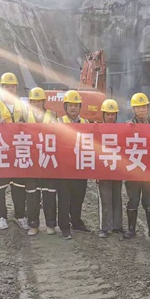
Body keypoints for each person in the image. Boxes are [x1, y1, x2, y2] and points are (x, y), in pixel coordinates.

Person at [0, 72, 28, 231]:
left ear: (16, 88)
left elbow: (29, 125)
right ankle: (1, 217)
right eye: (6, 86)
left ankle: (20, 216)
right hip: (1, 153)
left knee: (19, 187)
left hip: (18, 151)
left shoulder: (22, 106)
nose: (10, 89)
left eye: (12, 86)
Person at [124, 93, 150, 240]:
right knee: (133, 201)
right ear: (133, 109)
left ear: (148, 108)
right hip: (133, 171)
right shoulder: (127, 126)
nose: (141, 110)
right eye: (138, 107)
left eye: (144, 107)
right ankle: (131, 230)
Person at [24, 87, 58, 236]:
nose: (36, 104)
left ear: (44, 101)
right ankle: (33, 225)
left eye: (39, 101)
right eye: (33, 101)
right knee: (32, 194)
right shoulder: (24, 115)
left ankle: (50, 224)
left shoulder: (53, 115)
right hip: (31, 161)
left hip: (48, 159)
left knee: (49, 193)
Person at [57, 90, 90, 239]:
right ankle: (64, 226)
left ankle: (76, 221)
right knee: (64, 198)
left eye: (76, 105)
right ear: (65, 106)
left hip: (80, 167)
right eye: (70, 105)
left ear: (80, 107)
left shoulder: (86, 123)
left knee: (78, 196)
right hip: (64, 169)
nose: (73, 108)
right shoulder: (58, 122)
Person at [97, 99, 123, 238]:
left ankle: (117, 225)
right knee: (105, 198)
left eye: (113, 114)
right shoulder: (97, 129)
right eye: (108, 114)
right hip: (103, 169)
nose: (110, 117)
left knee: (117, 198)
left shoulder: (121, 130)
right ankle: (104, 227)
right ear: (103, 115)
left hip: (117, 169)